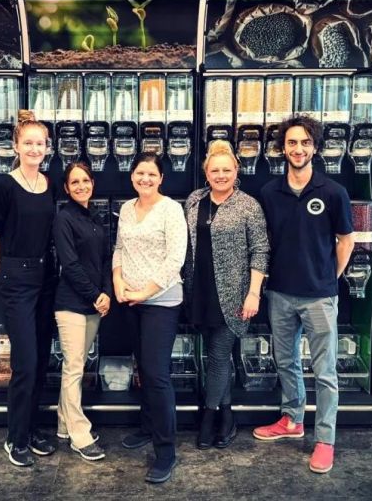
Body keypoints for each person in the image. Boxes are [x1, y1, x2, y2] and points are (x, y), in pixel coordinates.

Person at [253, 114, 355, 474]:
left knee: (324, 370)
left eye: (305, 143)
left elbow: (346, 241)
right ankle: (292, 420)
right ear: (283, 148)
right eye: (292, 143)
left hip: (319, 297)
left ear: (315, 147)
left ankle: (325, 439)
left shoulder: (333, 192)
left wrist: (329, 278)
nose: (298, 149)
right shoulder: (269, 192)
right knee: (286, 362)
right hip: (279, 293)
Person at [0, 109, 58, 468]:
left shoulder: (48, 184)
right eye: (27, 143)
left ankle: (30, 430)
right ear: (15, 146)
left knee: (41, 359)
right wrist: (2, 276)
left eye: (39, 143)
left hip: (45, 278)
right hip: (16, 278)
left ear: (47, 147)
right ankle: (15, 439)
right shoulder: (4, 187)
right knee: (25, 362)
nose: (33, 149)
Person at [183, 140, 268, 450]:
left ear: (237, 170)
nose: (221, 175)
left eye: (227, 169)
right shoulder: (194, 201)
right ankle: (228, 417)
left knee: (218, 358)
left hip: (233, 294)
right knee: (213, 357)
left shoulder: (248, 205)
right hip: (199, 292)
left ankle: (208, 419)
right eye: (214, 170)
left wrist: (253, 294)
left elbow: (260, 250)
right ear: (206, 172)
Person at [113, 152, 187, 484]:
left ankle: (166, 451)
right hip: (130, 299)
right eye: (140, 173)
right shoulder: (127, 209)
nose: (145, 179)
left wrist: (146, 292)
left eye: (151, 174)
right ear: (132, 177)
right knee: (141, 366)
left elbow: (176, 258)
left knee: (157, 374)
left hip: (162, 301)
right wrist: (117, 280)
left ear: (161, 178)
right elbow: (118, 248)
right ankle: (147, 426)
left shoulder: (171, 209)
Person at [53, 161, 111, 462]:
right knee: (74, 368)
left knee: (76, 367)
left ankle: (64, 425)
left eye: (85, 181)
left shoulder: (95, 218)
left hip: (93, 304)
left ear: (92, 183)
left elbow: (104, 260)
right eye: (74, 182)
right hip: (71, 305)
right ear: (66, 188)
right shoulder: (64, 218)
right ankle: (79, 435)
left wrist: (106, 294)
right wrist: (95, 296)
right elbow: (70, 265)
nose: (80, 186)